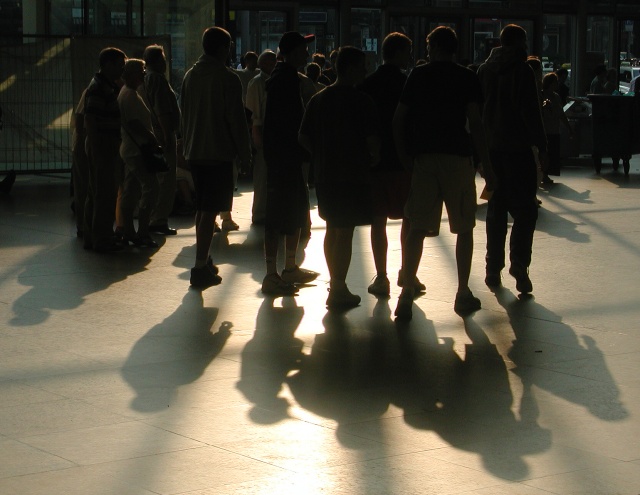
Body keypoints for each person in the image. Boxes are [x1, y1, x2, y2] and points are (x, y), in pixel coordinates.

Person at [392, 26, 495, 320]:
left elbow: (399, 120)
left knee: (416, 227)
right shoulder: (467, 77)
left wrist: (405, 156)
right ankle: (462, 292)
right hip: (458, 159)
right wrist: (485, 163)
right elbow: (475, 123)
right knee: (464, 227)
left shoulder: (418, 75)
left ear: (435, 47)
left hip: (424, 159)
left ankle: (407, 291)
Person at [299, 46, 380, 309]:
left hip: (325, 175)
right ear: (352, 68)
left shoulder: (319, 99)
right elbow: (372, 142)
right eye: (362, 66)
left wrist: (320, 154)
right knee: (345, 232)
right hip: (353, 175)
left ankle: (336, 283)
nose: (366, 71)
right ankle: (339, 288)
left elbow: (303, 136)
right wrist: (373, 158)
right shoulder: (362, 101)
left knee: (333, 229)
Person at [477, 24, 547, 294]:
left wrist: (478, 153)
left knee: (496, 210)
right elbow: (531, 114)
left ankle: (492, 269)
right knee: (526, 209)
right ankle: (518, 263)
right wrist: (542, 147)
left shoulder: (484, 70)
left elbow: (476, 112)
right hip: (517, 151)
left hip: (492, 151)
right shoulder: (522, 71)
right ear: (519, 43)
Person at [180, 27, 252, 288]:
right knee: (210, 211)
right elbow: (236, 121)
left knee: (203, 209)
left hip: (195, 151)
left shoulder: (190, 76)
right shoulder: (226, 78)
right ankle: (200, 266)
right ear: (223, 48)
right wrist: (244, 155)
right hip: (218, 153)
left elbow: (183, 113)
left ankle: (204, 259)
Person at [358, 32, 424, 297]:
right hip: (403, 161)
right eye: (407, 51)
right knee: (408, 218)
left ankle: (381, 276)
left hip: (375, 163)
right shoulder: (408, 84)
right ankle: (407, 272)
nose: (410, 56)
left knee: (378, 221)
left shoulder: (368, 84)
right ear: (397, 53)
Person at [261, 31, 320, 295]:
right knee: (279, 215)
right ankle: (274, 273)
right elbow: (289, 125)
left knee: (293, 212)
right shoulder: (286, 82)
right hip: (285, 158)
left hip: (284, 158)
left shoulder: (281, 79)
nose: (307, 55)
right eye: (303, 50)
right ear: (293, 52)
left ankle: (286, 268)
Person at [83, 47, 127, 252]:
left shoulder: (105, 85)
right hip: (103, 143)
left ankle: (92, 235)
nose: (122, 70)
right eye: (120, 65)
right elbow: (90, 118)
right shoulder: (100, 87)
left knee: (97, 191)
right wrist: (96, 145)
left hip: (103, 143)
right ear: (108, 65)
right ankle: (103, 238)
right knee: (105, 193)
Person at [117, 58, 161, 247]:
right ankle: (143, 230)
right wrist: (151, 137)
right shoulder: (131, 95)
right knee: (151, 188)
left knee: (131, 190)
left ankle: (128, 229)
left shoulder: (125, 93)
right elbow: (135, 123)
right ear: (133, 74)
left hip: (130, 149)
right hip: (138, 150)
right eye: (141, 70)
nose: (144, 73)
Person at [142, 45, 180, 236]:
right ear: (157, 61)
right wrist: (167, 134)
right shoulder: (157, 79)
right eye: (164, 59)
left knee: (157, 179)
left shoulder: (146, 79)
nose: (166, 63)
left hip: (153, 132)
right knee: (166, 179)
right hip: (162, 132)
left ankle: (153, 217)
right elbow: (162, 109)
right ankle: (159, 219)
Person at [245, 49, 277, 225]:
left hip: (266, 133)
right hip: (262, 133)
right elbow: (254, 113)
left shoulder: (267, 82)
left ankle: (265, 211)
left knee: (266, 176)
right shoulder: (257, 83)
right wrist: (256, 136)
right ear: (264, 64)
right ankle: (259, 213)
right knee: (261, 176)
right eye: (272, 61)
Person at [541, 72, 573, 177]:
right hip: (546, 129)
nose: (557, 84)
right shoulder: (542, 96)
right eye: (555, 82)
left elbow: (561, 114)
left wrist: (568, 127)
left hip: (553, 129)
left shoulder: (555, 97)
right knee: (547, 153)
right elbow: (560, 114)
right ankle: (544, 173)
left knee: (551, 153)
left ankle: (546, 173)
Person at [70, 89, 89, 236]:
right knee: (86, 185)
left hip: (85, 142)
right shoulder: (95, 90)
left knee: (84, 185)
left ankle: (85, 225)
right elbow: (80, 116)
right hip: (87, 143)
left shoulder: (93, 89)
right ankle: (85, 225)